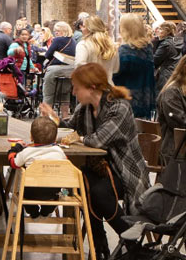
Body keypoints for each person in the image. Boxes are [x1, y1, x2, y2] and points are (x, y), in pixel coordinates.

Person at [37, 64, 146, 260]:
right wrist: (53, 118)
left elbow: (98, 140)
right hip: (100, 169)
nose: (73, 92)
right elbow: (69, 127)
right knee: (83, 184)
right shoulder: (85, 108)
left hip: (125, 171)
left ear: (92, 87)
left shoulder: (119, 107)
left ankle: (127, 243)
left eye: (76, 87)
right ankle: (101, 245)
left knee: (95, 192)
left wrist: (77, 138)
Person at [113, 14, 157, 119]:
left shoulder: (125, 50)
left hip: (127, 99)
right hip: (145, 98)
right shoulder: (148, 48)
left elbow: (116, 75)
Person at [40, 21, 79, 113]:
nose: (56, 33)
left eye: (58, 31)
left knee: (48, 93)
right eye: (55, 31)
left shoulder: (57, 40)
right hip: (70, 70)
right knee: (64, 93)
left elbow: (47, 55)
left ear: (64, 31)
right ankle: (65, 116)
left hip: (55, 70)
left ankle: (46, 115)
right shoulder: (73, 41)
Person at [75, 15, 120, 83]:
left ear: (90, 28)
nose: (81, 29)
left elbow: (79, 67)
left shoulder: (83, 45)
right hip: (108, 85)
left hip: (90, 86)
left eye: (84, 26)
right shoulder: (112, 45)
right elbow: (115, 69)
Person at [152, 22, 184, 91]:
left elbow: (155, 60)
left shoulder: (166, 44)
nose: (158, 31)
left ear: (167, 31)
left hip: (165, 75)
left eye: (160, 29)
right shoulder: (175, 42)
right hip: (173, 73)